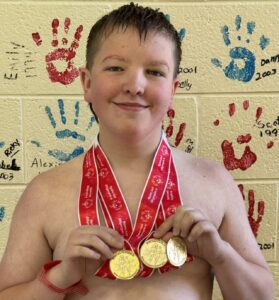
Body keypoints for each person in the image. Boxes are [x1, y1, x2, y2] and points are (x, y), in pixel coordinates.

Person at [0, 2, 274, 299]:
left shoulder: (214, 181)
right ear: (87, 83)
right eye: (116, 68)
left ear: (173, 89)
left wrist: (221, 255)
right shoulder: (44, 192)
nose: (135, 85)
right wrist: (59, 276)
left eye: (155, 72)